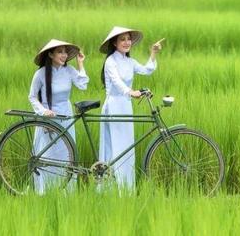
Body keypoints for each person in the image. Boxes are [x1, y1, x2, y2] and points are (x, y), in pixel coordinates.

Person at [98, 26, 163, 190]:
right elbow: (117, 82)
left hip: (126, 106)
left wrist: (153, 53)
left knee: (127, 147)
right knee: (116, 146)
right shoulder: (110, 62)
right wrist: (130, 92)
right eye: (122, 39)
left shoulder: (129, 61)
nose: (127, 42)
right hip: (114, 106)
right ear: (114, 43)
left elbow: (147, 70)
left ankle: (126, 189)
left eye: (128, 39)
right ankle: (111, 187)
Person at [28, 39, 88, 194]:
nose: (64, 55)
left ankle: (66, 192)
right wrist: (43, 111)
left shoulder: (69, 70)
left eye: (65, 52)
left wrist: (81, 64)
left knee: (66, 154)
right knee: (48, 155)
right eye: (60, 52)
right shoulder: (40, 74)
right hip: (49, 116)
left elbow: (83, 85)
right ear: (50, 54)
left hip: (66, 115)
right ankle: (45, 192)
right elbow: (32, 97)